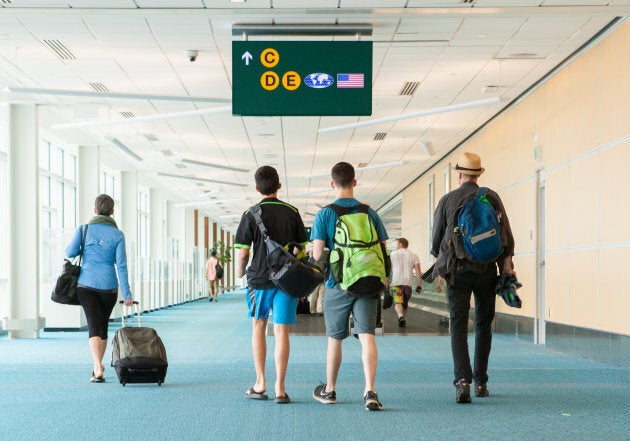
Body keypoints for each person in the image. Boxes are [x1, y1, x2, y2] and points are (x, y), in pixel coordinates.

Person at [429, 152, 515, 403]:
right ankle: (481, 382)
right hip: (488, 269)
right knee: (483, 325)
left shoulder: (448, 199)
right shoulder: (491, 197)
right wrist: (507, 267)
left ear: (459, 175)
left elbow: (436, 242)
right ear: (479, 174)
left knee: (458, 324)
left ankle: (462, 381)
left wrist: (442, 262)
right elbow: (506, 236)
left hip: (458, 271)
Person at [310, 161, 388, 411]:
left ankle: (330, 390)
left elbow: (317, 253)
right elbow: (383, 249)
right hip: (368, 282)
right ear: (355, 182)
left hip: (338, 283)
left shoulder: (325, 214)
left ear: (333, 184)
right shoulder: (369, 212)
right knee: (367, 336)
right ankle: (370, 391)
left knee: (335, 338)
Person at [234, 165, 308, 404]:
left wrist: (239, 272)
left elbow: (243, 253)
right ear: (279, 185)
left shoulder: (250, 213)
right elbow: (301, 249)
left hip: (259, 278)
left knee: (259, 325)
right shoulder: (292, 212)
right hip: (286, 280)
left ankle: (260, 382)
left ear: (257, 188)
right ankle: (280, 387)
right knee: (281, 330)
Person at [65, 194, 134, 383]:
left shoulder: (84, 229)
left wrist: (85, 249)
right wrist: (127, 293)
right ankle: (98, 366)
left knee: (94, 325)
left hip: (86, 285)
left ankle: (97, 366)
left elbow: (69, 253)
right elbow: (121, 266)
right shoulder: (118, 234)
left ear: (94, 210)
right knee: (102, 326)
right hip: (109, 286)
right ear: (112, 212)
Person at [388, 237, 422, 328]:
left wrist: (386, 282)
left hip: (396, 283)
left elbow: (388, 270)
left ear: (400, 244)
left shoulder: (392, 254)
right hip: (408, 283)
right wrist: (419, 284)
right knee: (405, 303)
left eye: (397, 243)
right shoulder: (414, 255)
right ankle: (403, 319)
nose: (396, 245)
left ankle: (401, 317)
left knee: (397, 302)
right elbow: (418, 272)